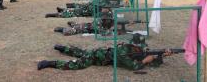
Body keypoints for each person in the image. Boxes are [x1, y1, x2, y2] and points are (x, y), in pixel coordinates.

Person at [37, 34, 175, 71]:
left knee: (81, 52)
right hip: (97, 57)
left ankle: (62, 48)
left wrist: (161, 56)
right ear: (134, 45)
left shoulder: (134, 49)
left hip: (100, 52)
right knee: (76, 64)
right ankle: (48, 63)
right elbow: (134, 66)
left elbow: (148, 57)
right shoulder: (123, 52)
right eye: (140, 47)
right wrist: (146, 60)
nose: (143, 49)